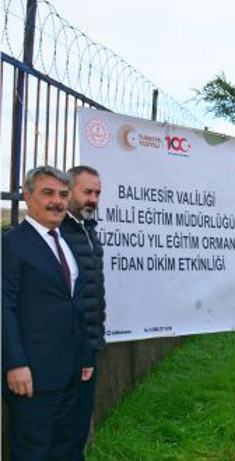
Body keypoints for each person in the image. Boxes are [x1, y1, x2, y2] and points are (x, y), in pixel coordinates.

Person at [3, 166, 93, 460]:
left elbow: (74, 305)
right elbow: (4, 306)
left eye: (63, 195)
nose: (57, 201)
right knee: (34, 451)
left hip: (69, 373)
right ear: (28, 197)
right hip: (32, 376)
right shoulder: (11, 244)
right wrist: (14, 363)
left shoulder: (65, 243)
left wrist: (85, 355)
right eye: (48, 193)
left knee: (66, 448)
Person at [59, 166, 106, 460]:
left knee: (77, 430)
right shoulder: (57, 232)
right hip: (65, 349)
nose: (93, 199)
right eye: (87, 192)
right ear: (69, 191)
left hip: (89, 345)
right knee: (59, 431)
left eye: (97, 193)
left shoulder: (88, 229)